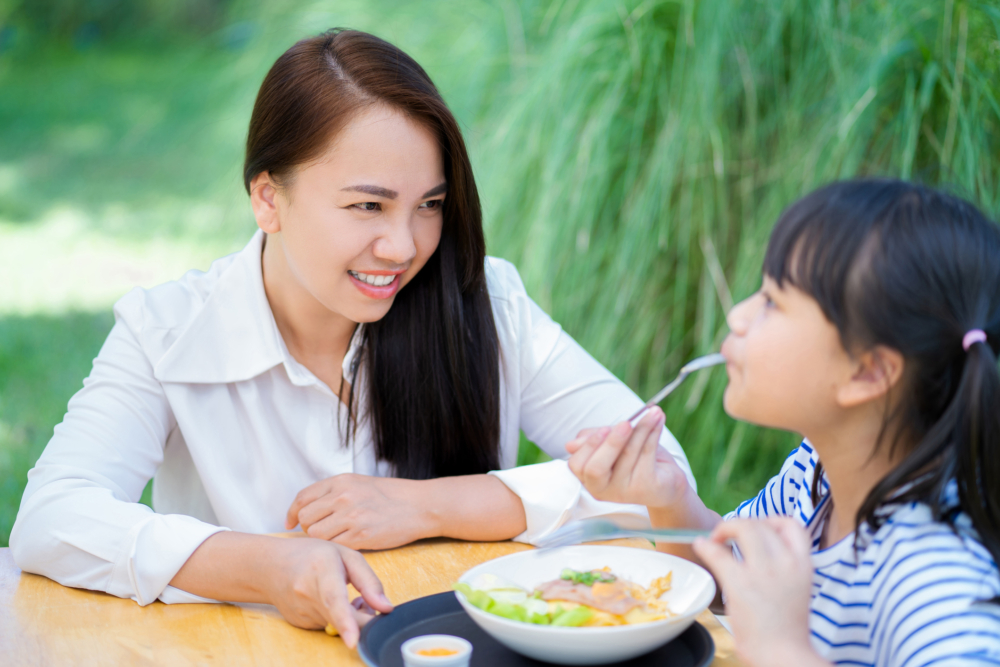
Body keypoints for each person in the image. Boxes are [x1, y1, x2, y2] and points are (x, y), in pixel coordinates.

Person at [9, 29, 695, 647]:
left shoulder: (486, 302)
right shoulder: (167, 333)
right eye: (368, 205)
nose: (404, 246)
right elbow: (52, 517)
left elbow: (658, 473)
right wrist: (265, 565)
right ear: (268, 198)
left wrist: (424, 505)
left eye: (429, 205)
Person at [566, 180, 1000, 666]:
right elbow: (729, 581)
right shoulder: (817, 475)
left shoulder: (937, 575)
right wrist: (670, 498)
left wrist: (781, 647)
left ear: (867, 372)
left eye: (772, 301)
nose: (738, 315)